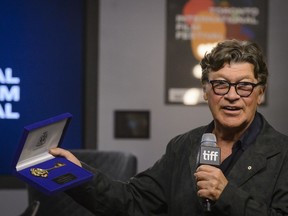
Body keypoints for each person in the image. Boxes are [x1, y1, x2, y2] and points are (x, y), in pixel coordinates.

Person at [50, 39, 288, 215]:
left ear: (260, 93)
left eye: (244, 86)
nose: (232, 96)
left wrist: (226, 195)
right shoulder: (183, 146)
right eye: (220, 84)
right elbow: (132, 201)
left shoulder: (283, 154)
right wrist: (76, 173)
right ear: (206, 91)